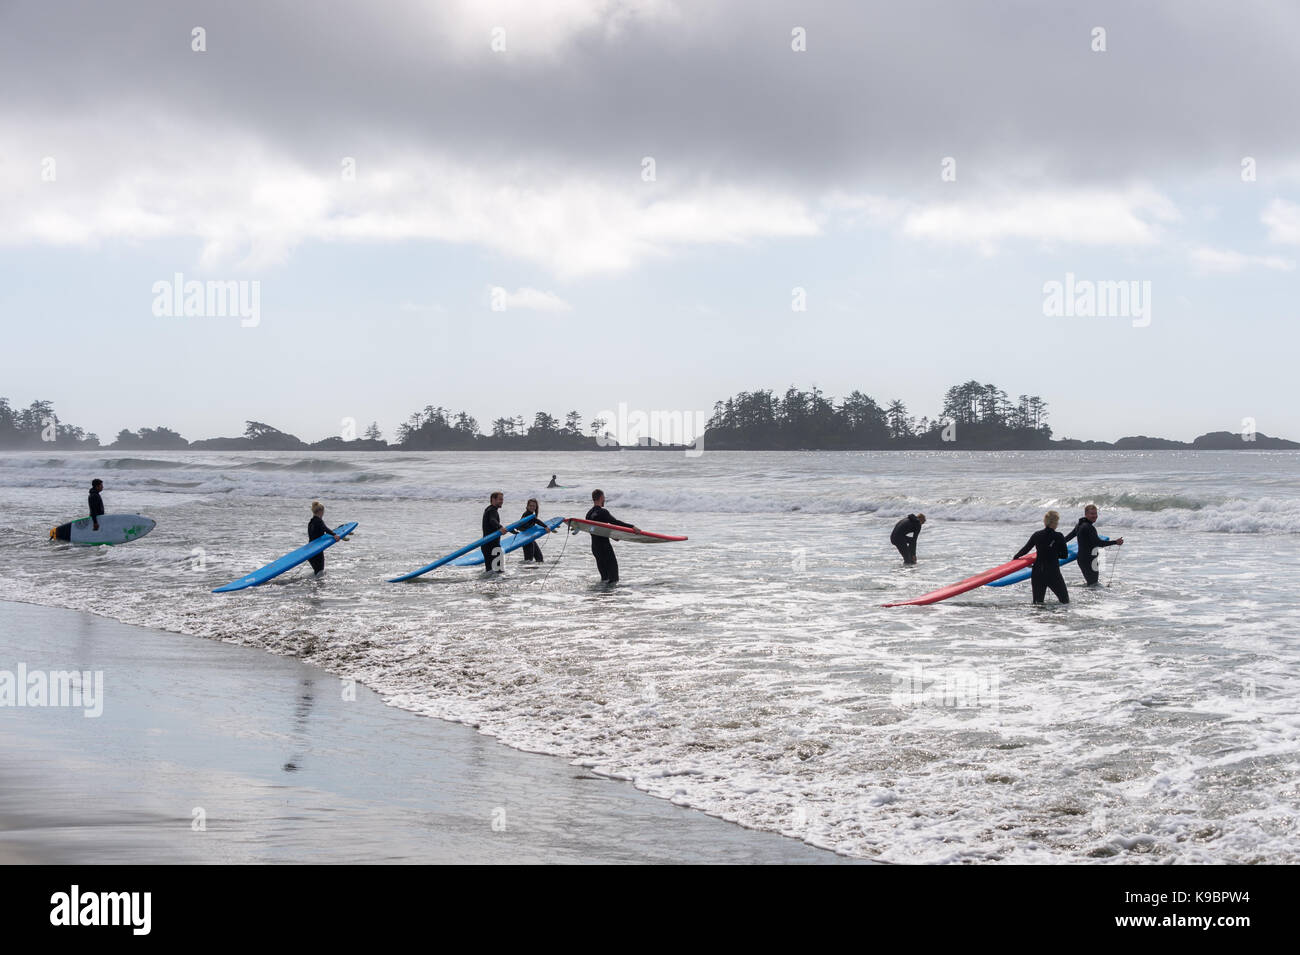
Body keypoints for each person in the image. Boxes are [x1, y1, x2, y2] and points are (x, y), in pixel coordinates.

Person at [1013, 510, 1071, 604]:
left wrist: (1016, 558)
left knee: (1037, 603)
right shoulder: (1059, 536)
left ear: (1045, 521)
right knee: (1065, 601)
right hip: (1053, 573)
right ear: (1055, 522)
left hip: (1037, 572)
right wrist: (1054, 553)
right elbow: (1064, 555)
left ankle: (1038, 618)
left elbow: (1025, 549)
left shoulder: (1037, 535)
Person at [1063, 504, 1124, 586]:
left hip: (1083, 559)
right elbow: (1099, 543)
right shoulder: (1088, 527)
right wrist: (1115, 542)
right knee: (1093, 585)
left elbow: (1067, 538)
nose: (1094, 516)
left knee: (1092, 584)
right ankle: (1089, 598)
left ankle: (1087, 597)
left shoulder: (1080, 524)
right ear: (1086, 514)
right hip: (1089, 560)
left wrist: (1054, 544)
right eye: (1092, 514)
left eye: (1095, 513)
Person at [585, 489, 638, 584]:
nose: (604, 499)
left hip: (595, 548)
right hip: (605, 548)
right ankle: (610, 597)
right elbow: (615, 522)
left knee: (604, 578)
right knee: (614, 579)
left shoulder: (588, 514)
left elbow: (593, 530)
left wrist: (611, 535)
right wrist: (632, 527)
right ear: (601, 497)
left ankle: (601, 596)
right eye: (604, 497)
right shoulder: (603, 512)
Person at [307, 501, 340, 575]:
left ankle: (311, 585)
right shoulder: (319, 521)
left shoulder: (311, 522)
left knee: (317, 572)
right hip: (317, 551)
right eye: (323, 511)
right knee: (320, 572)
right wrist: (334, 535)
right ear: (320, 511)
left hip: (310, 550)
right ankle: (317, 586)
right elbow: (325, 528)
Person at [518, 498, 555, 562]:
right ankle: (525, 571)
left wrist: (548, 528)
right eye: (530, 505)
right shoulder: (527, 514)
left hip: (530, 538)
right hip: (526, 539)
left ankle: (535, 571)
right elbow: (537, 521)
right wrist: (546, 526)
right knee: (528, 560)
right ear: (527, 506)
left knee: (539, 558)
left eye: (534, 506)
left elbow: (534, 524)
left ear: (536, 507)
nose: (532, 507)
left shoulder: (531, 515)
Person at [481, 491, 507, 573]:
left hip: (487, 545)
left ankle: (489, 585)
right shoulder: (492, 511)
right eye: (500, 499)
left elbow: (491, 523)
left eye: (502, 499)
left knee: (490, 571)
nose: (502, 501)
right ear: (493, 499)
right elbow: (492, 520)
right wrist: (500, 527)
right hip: (492, 546)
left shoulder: (488, 509)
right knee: (499, 572)